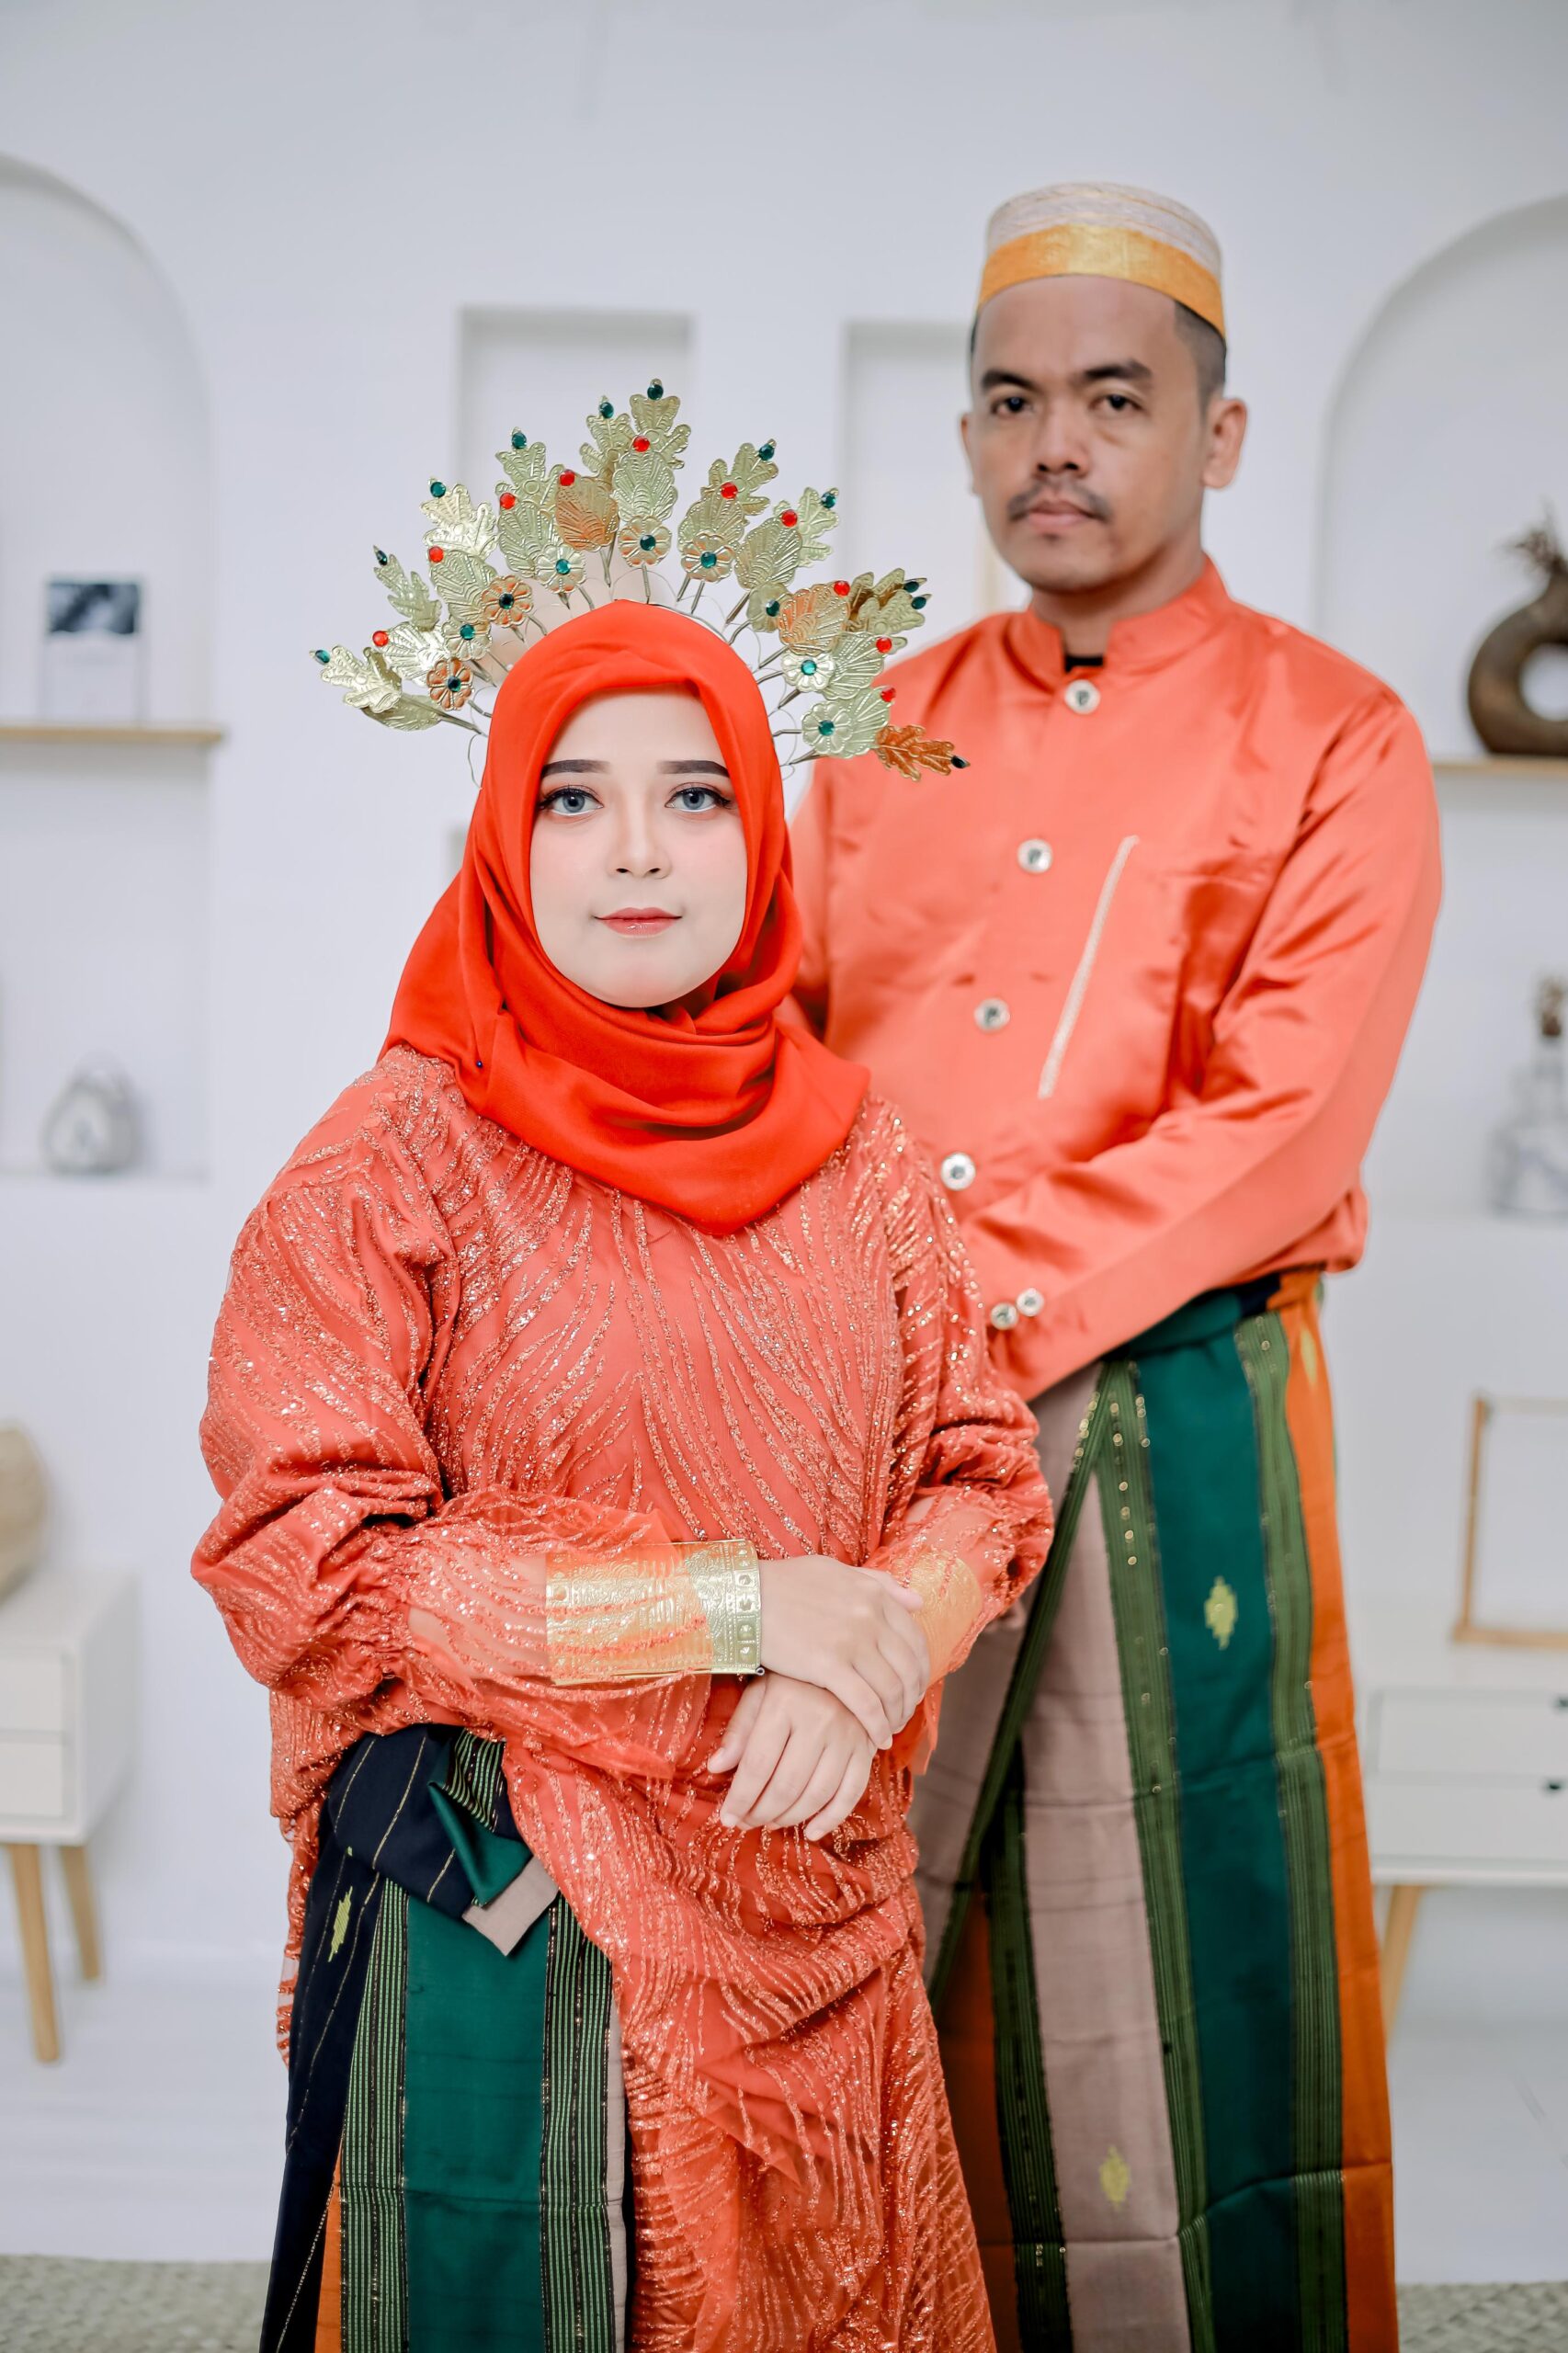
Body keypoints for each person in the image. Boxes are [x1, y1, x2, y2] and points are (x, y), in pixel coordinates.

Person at [195, 584, 1052, 2352]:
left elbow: (980, 1475)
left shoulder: (863, 1155)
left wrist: (870, 1647)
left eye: (696, 794)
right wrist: (738, 1610)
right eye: (574, 796)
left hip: (813, 1871)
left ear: (765, 830)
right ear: (505, 838)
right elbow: (310, 1566)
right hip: (516, 1911)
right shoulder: (390, 1162)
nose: (638, 849)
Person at [790, 182, 1440, 2353]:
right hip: (862, 1420)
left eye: (1110, 398)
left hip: (1172, 1419)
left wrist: (949, 1301)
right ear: (966, 435)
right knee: (846, 1925)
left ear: (1217, 434)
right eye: (1008, 400)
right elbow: (760, 1055)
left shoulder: (1336, 736)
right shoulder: (865, 725)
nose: (1051, 443)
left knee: (1154, 1959)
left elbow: (1281, 1127)